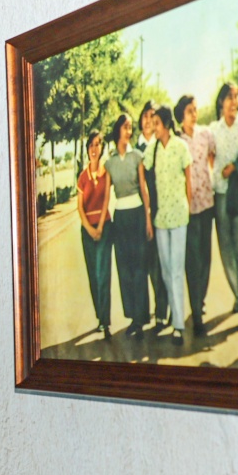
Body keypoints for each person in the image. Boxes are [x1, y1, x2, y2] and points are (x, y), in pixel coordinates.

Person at [208, 81, 238, 330]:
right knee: (226, 249)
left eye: (237, 97)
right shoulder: (213, 130)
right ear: (221, 101)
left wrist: (235, 167)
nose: (234, 102)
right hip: (220, 194)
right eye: (229, 97)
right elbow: (210, 161)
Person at [145, 104, 193, 344]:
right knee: (166, 271)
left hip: (179, 216)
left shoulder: (181, 146)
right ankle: (176, 315)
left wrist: (189, 209)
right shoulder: (152, 149)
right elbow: (141, 172)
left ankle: (178, 324)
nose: (153, 127)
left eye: (156, 123)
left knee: (176, 270)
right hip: (161, 218)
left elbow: (189, 181)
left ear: (164, 124)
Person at [103, 113, 153, 337]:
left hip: (138, 214)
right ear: (117, 131)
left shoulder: (137, 156)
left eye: (131, 127)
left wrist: (148, 219)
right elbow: (106, 196)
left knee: (140, 267)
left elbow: (144, 188)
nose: (129, 131)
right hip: (120, 219)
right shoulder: (110, 163)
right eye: (125, 127)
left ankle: (142, 319)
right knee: (124, 270)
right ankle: (132, 318)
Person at [176, 95, 218, 331]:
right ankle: (197, 313)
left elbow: (212, 156)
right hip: (188, 210)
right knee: (192, 261)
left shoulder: (206, 134)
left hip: (207, 204)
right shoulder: (177, 140)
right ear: (181, 114)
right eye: (190, 110)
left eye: (195, 109)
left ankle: (200, 302)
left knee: (205, 256)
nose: (194, 113)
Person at [137, 101, 170, 328]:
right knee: (146, 265)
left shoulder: (161, 146)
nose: (148, 120)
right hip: (139, 215)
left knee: (161, 263)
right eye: (145, 116)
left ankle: (162, 310)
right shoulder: (135, 150)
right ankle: (146, 312)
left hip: (161, 211)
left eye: (152, 116)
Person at [76, 130, 112, 336]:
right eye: (90, 144)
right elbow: (80, 208)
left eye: (97, 144)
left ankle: (105, 322)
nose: (93, 148)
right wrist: (90, 229)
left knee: (103, 273)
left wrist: (99, 228)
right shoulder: (83, 177)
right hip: (87, 231)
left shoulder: (106, 173)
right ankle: (100, 316)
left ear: (102, 148)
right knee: (93, 275)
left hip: (105, 227)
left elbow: (107, 199)